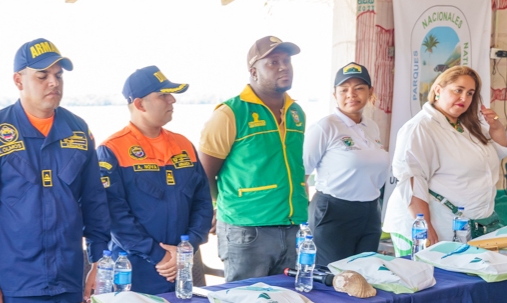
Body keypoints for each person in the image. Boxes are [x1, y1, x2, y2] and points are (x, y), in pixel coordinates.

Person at [0, 38, 110, 303]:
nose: (54, 83)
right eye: (42, 76)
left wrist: (100, 262)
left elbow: (95, 202)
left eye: (59, 75)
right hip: (13, 284)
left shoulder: (77, 131)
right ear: (18, 81)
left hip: (69, 279)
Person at [198, 35, 308, 282]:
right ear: (253, 71)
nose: (283, 67)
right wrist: (221, 207)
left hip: (293, 227)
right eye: (272, 62)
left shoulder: (296, 112)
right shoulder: (230, 113)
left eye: (287, 61)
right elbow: (204, 174)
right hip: (247, 230)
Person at [97, 66, 213, 293]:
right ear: (140, 104)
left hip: (180, 268)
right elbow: (114, 216)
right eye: (163, 95)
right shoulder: (112, 150)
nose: (172, 100)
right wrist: (158, 256)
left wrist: (185, 249)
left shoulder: (184, 145)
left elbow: (202, 203)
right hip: (133, 272)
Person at [383, 66, 507, 254]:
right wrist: (425, 229)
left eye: (470, 93)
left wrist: (497, 129)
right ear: (438, 90)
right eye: (458, 90)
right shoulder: (420, 128)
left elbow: (494, 156)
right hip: (432, 228)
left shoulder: (468, 126)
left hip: (468, 227)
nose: (464, 98)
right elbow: (412, 179)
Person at [303, 62, 389, 265]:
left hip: (370, 213)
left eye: (359, 88)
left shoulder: (372, 127)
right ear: (335, 94)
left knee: (364, 275)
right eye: (344, 89)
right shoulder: (325, 127)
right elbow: (301, 174)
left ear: (370, 92)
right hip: (333, 213)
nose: (351, 94)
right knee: (333, 280)